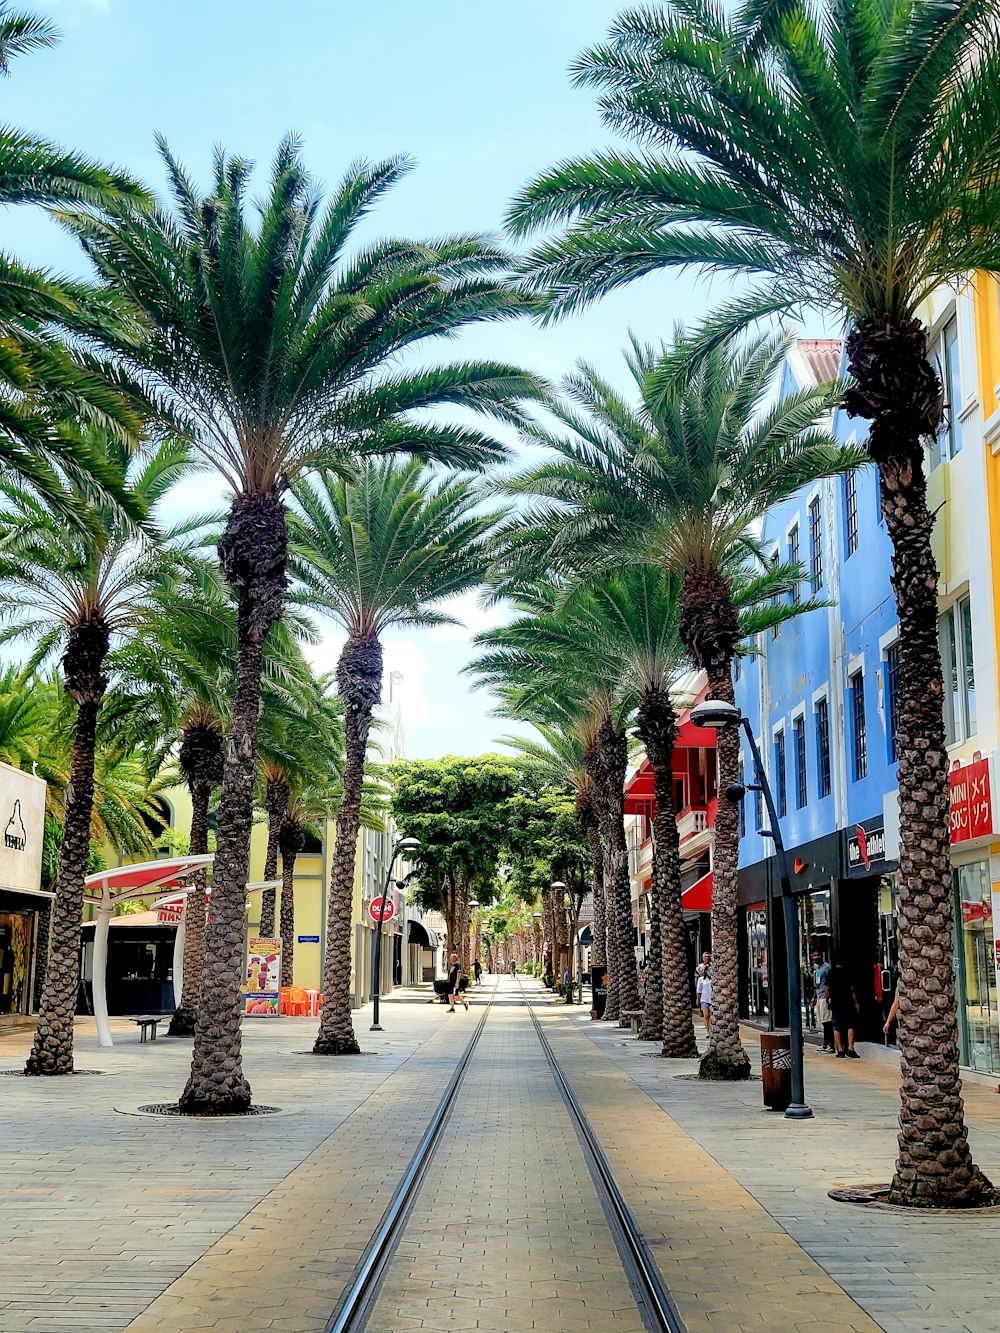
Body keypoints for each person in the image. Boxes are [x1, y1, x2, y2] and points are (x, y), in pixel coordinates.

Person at [827, 959, 860, 1058]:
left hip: (836, 1002)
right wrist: (856, 1002)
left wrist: (827, 1001)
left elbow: (827, 989)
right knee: (851, 1025)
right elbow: (852, 989)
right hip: (848, 1001)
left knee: (837, 1026)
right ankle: (850, 1048)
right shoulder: (849, 972)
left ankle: (840, 1050)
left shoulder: (831, 972)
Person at [812, 949, 834, 1052]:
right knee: (823, 1022)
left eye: (818, 955)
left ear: (822, 956)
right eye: (814, 956)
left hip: (825, 998)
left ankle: (830, 1045)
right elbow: (817, 985)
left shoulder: (827, 968)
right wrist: (814, 997)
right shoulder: (818, 969)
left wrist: (828, 999)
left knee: (828, 1022)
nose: (815, 957)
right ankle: (825, 1044)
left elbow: (829, 984)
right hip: (819, 997)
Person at [697, 968, 712, 1033]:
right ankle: (708, 1031)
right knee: (706, 1016)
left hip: (712, 1000)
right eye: (708, 970)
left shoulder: (713, 979)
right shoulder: (701, 979)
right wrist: (698, 999)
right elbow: (699, 990)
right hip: (704, 999)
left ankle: (712, 1031)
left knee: (711, 1016)